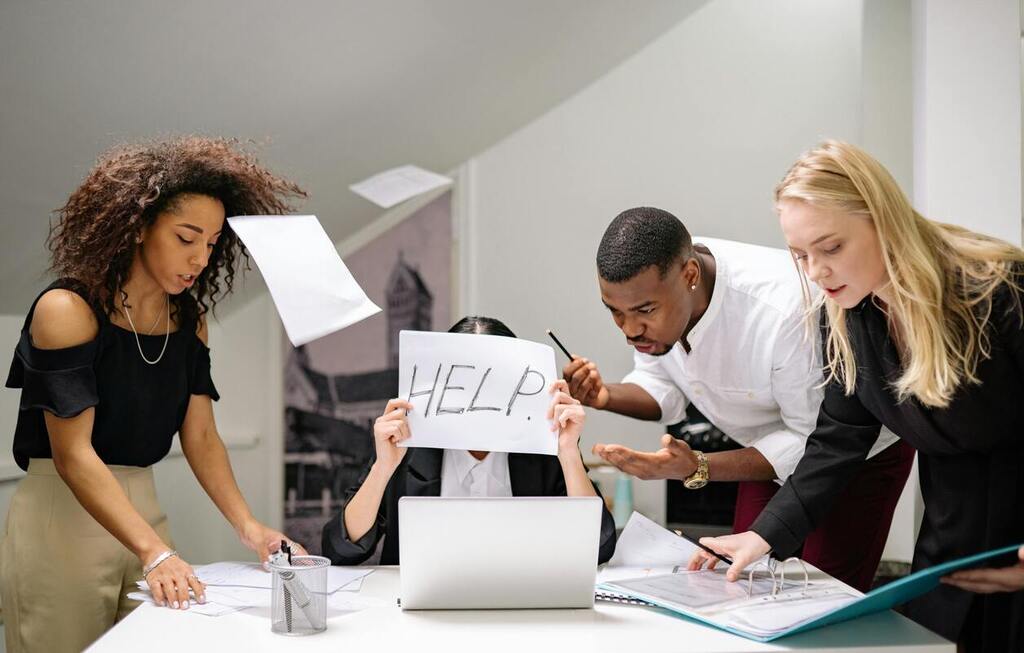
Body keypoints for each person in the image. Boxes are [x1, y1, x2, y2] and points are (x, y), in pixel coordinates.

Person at [692, 140, 1024, 651]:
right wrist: (764, 535)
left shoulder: (999, 289)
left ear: (883, 220)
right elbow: (839, 438)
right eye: (800, 255)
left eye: (831, 248)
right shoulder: (851, 314)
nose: (815, 272)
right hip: (951, 550)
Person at [0, 136, 308, 653]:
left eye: (212, 244)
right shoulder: (67, 310)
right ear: (139, 226)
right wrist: (154, 551)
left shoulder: (188, 321)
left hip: (143, 507)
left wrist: (250, 527)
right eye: (186, 238)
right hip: (62, 513)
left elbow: (201, 437)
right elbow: (73, 455)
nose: (200, 258)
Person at [563, 207, 914, 591]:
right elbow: (662, 385)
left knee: (825, 594)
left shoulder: (783, 310)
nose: (630, 330)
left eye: (644, 311)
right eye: (615, 312)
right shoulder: (657, 281)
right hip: (762, 450)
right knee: (737, 582)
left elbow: (816, 442)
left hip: (854, 455)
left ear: (690, 276)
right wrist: (604, 396)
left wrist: (698, 467)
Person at [322, 316, 616, 566]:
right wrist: (382, 468)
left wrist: (568, 453)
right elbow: (340, 548)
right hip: (419, 608)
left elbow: (598, 547)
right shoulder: (408, 447)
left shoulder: (543, 451)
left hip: (522, 603)